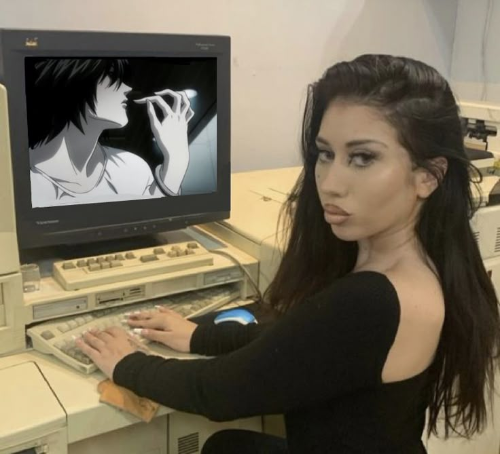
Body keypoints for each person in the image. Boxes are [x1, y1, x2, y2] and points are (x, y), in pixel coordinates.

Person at [76, 54, 500, 453]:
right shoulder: (418, 262)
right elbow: (303, 342)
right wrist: (198, 335)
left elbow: (220, 392)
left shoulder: (375, 300)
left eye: (362, 158)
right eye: (325, 154)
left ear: (429, 176)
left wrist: (128, 363)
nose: (329, 183)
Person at [26, 58, 194, 207]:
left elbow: (153, 222)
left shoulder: (132, 168)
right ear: (70, 80)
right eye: (112, 75)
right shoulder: (22, 180)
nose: (128, 88)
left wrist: (176, 160)